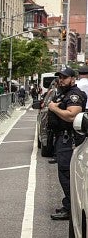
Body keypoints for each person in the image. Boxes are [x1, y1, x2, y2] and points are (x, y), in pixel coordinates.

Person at [47, 67, 87, 220]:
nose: (61, 80)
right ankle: (69, 205)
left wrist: (53, 108)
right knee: (65, 174)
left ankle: (71, 208)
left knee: (67, 174)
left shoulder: (74, 95)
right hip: (62, 139)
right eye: (60, 77)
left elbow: (71, 116)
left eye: (65, 77)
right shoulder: (64, 93)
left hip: (69, 139)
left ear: (73, 79)